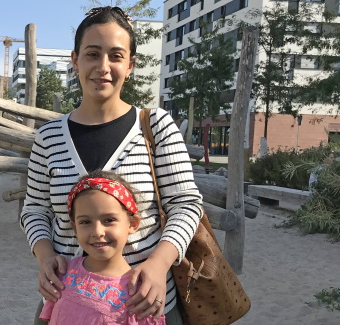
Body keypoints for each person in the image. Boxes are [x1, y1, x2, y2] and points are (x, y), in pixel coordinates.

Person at [19, 6, 203, 325]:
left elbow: (186, 204)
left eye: (116, 56)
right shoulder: (48, 137)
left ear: (130, 65)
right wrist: (45, 255)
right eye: (92, 54)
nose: (103, 67)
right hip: (67, 304)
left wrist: (159, 265)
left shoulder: (155, 126)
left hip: (145, 304)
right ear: (75, 60)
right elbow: (34, 208)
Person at [39, 170, 166, 325]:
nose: (97, 232)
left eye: (109, 220)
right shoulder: (63, 275)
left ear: (132, 224)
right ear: (75, 228)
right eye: (85, 222)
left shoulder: (141, 295)